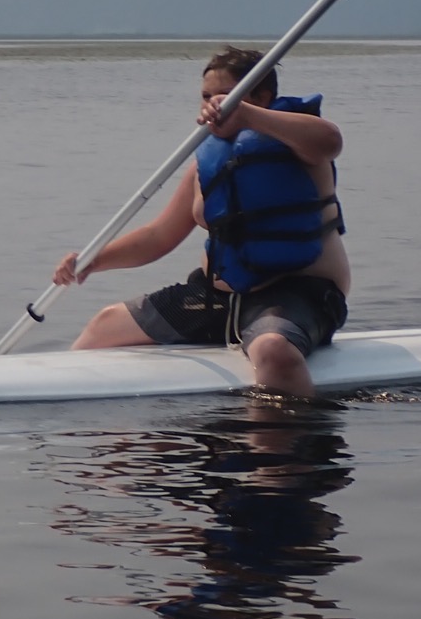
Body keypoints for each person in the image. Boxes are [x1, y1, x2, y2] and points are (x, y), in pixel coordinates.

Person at [52, 45, 350, 399]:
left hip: (298, 295)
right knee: (105, 325)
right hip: (216, 300)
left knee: (273, 351)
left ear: (261, 96)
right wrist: (90, 261)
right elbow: (158, 236)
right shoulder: (206, 166)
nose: (211, 105)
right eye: (206, 96)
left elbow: (331, 140)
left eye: (223, 95)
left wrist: (248, 117)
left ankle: (291, 445)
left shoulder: (302, 145)